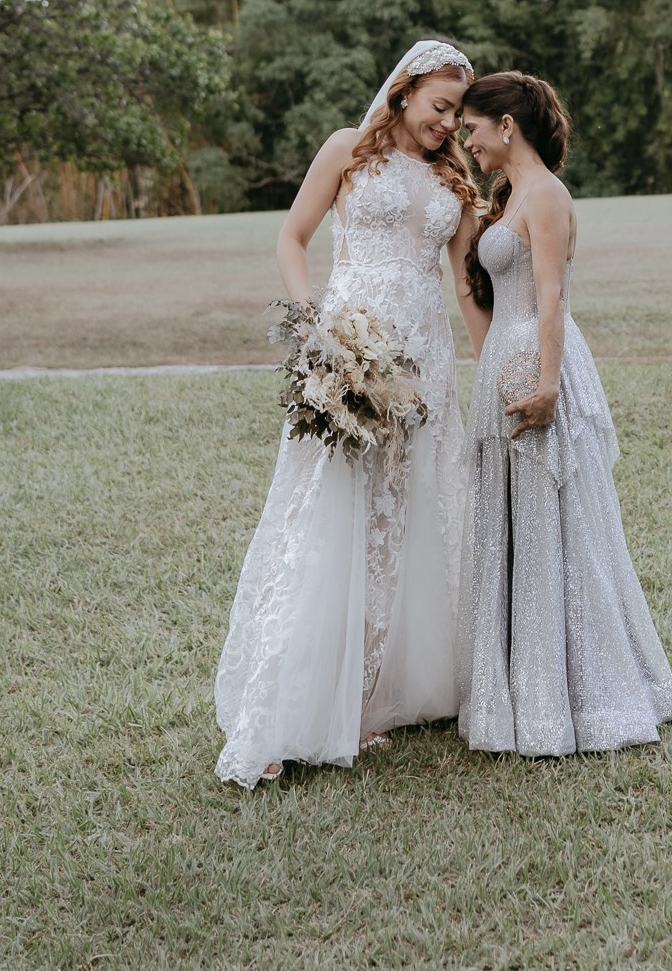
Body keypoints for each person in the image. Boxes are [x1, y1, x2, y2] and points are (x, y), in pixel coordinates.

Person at [215, 40, 490, 787]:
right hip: (349, 351)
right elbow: (292, 238)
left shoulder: (452, 180)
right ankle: (282, 711)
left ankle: (366, 700)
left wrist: (493, 365)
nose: (448, 125)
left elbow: (465, 288)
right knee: (326, 518)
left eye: (458, 114)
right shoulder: (345, 148)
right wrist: (315, 332)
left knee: (397, 524)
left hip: (422, 366)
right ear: (402, 92)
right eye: (439, 107)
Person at [456, 71, 672, 756]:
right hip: (506, 362)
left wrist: (550, 384)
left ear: (507, 125)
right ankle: (518, 692)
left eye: (473, 125)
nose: (467, 138)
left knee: (553, 528)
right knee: (512, 530)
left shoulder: (547, 196)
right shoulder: (508, 195)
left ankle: (575, 697)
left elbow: (551, 297)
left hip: (540, 367)